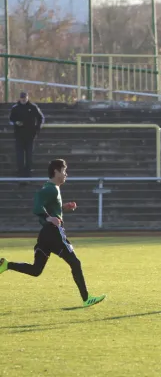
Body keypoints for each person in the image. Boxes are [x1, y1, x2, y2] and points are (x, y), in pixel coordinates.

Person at [0, 159, 106, 308]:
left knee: (36, 270)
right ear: (56, 171)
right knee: (75, 263)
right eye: (64, 171)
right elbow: (37, 203)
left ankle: (6, 265)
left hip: (45, 235)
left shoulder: (52, 188)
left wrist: (63, 208)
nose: (66, 174)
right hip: (54, 232)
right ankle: (86, 298)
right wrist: (48, 217)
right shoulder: (51, 189)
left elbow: (48, 205)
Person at [9, 91, 44, 178]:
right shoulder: (15, 108)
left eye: (25, 98)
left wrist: (37, 128)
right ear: (20, 98)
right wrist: (16, 122)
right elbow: (11, 119)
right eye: (22, 98)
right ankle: (20, 172)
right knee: (20, 155)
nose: (23, 100)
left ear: (27, 97)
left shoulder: (33, 107)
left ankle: (28, 172)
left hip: (30, 135)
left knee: (29, 155)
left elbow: (40, 118)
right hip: (19, 135)